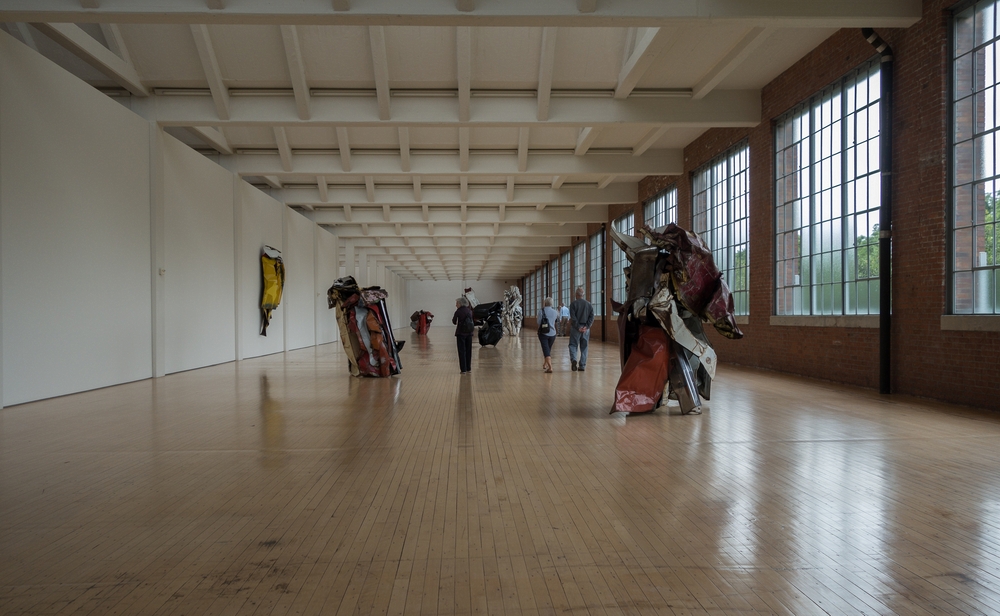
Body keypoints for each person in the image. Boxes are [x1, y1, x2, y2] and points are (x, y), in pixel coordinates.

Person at [568, 287, 595, 372]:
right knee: (584, 347)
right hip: (586, 329)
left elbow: (573, 317)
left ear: (576, 295)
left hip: (576, 328)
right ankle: (582, 365)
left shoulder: (573, 304)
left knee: (573, 344)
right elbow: (592, 317)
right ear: (583, 295)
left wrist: (578, 327)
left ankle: (573, 359)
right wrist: (586, 326)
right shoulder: (589, 304)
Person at [452, 296, 474, 374]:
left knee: (462, 351)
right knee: (468, 351)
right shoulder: (469, 311)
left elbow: (454, 321)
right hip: (469, 333)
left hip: (461, 333)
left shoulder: (458, 311)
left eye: (457, 303)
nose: (456, 305)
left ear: (460, 303)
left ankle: (463, 370)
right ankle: (468, 368)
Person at [537, 297, 559, 373]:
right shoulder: (555, 312)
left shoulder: (541, 311)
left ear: (545, 303)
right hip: (553, 334)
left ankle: (550, 367)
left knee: (546, 350)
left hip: (543, 333)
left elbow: (539, 322)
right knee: (548, 349)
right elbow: (556, 322)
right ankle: (545, 364)